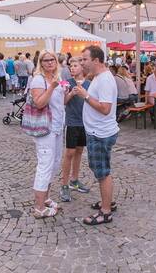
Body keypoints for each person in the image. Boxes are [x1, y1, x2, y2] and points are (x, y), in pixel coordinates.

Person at [72, 45, 119, 225]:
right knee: (101, 169)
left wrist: (85, 95)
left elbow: (105, 109)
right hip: (97, 131)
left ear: (96, 60)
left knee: (102, 172)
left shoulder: (105, 79)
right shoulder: (99, 76)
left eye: (85, 59)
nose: (82, 62)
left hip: (100, 133)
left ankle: (105, 212)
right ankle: (108, 201)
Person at [28, 50, 66, 219]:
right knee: (45, 165)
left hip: (57, 127)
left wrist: (69, 94)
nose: (50, 62)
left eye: (53, 60)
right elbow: (39, 102)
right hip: (45, 129)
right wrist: (52, 87)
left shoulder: (55, 78)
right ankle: (39, 208)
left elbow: (59, 103)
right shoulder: (39, 79)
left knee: (55, 164)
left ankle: (46, 197)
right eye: (46, 60)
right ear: (41, 63)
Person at [60, 56, 91, 202]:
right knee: (69, 152)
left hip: (84, 123)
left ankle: (75, 180)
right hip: (72, 122)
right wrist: (71, 93)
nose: (72, 68)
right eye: (70, 66)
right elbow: (63, 102)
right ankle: (64, 185)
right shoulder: (67, 83)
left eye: (75, 66)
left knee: (79, 151)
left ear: (82, 68)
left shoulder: (89, 84)